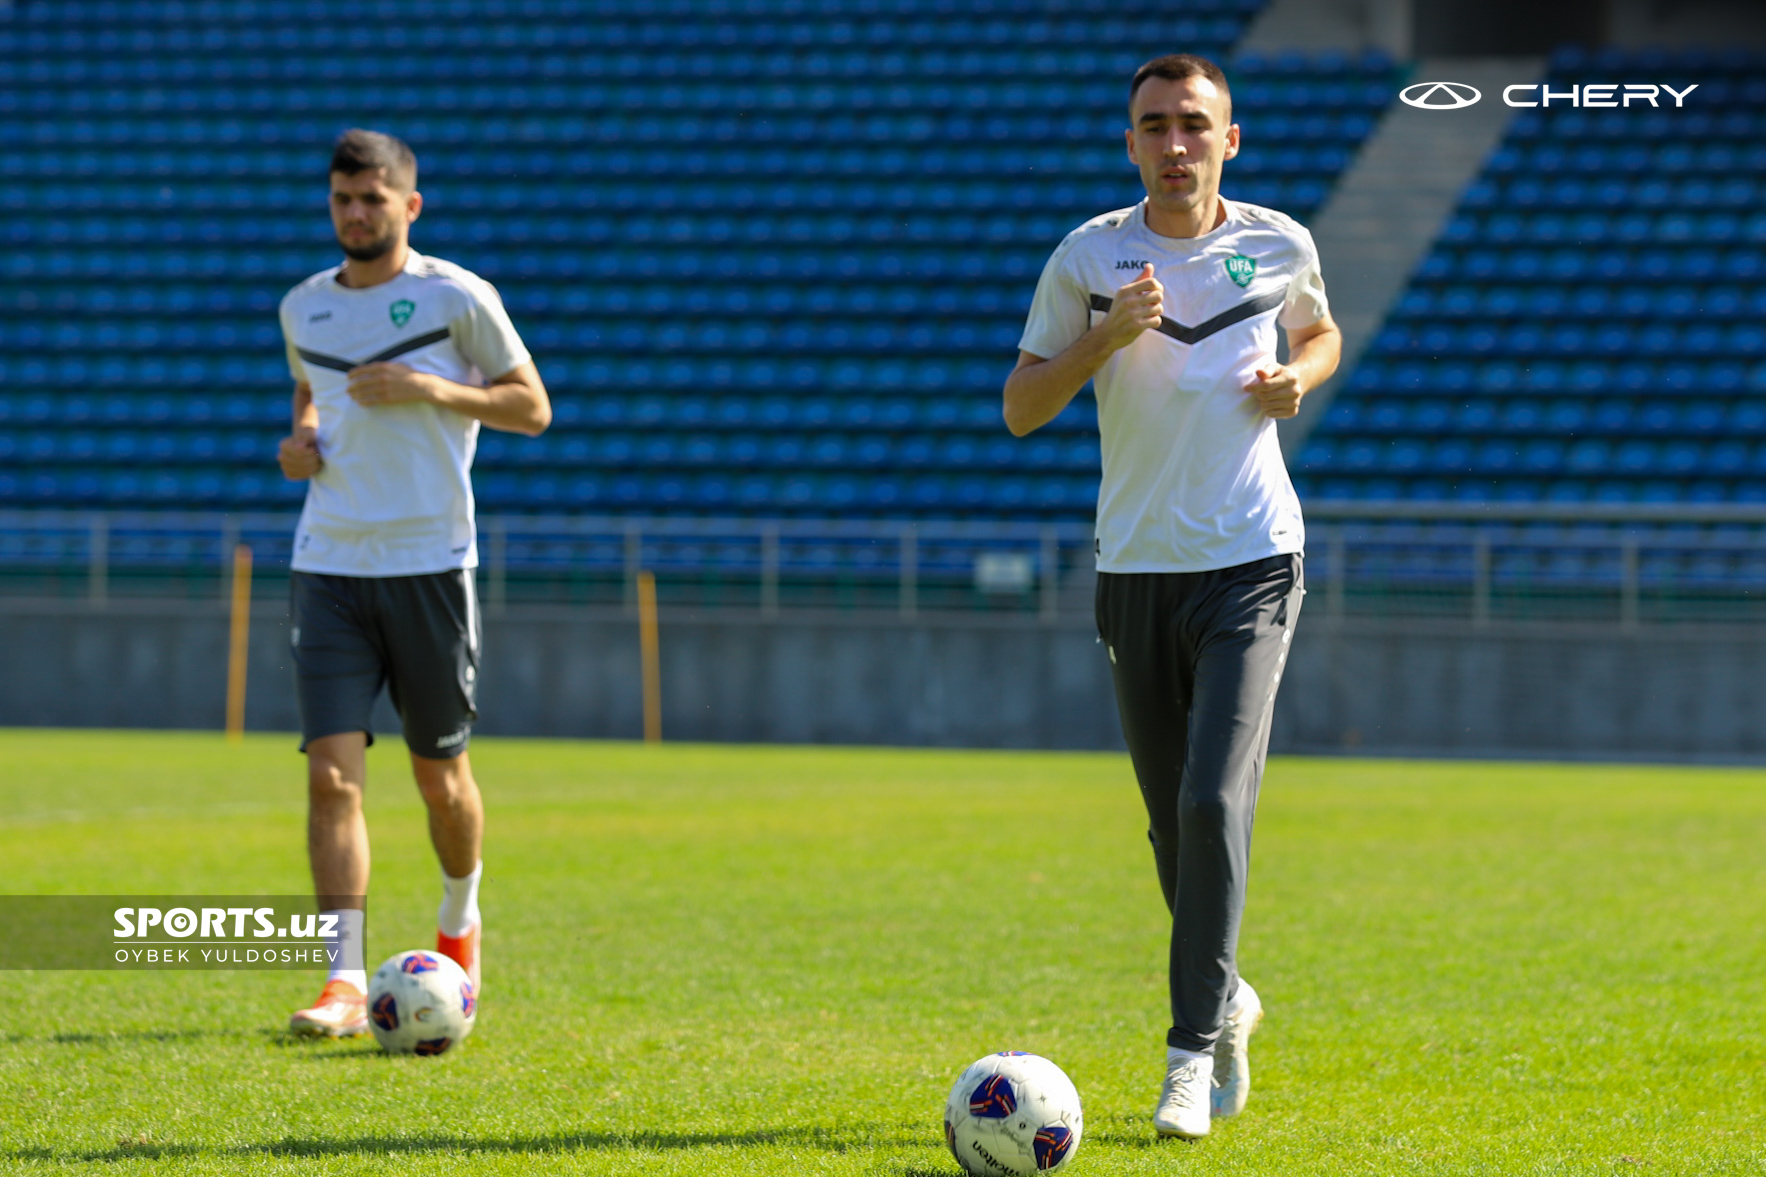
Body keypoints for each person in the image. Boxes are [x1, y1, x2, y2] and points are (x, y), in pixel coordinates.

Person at [1004, 54, 1341, 1138]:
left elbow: (1317, 333)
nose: (1175, 143)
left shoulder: (1278, 242)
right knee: (1168, 830)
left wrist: (1302, 376)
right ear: (1130, 143)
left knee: (1209, 802)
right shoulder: (1088, 257)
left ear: (1227, 140)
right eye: (1154, 125)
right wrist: (1104, 335)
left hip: (1250, 560)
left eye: (1194, 123)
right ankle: (1226, 993)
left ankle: (1187, 1052)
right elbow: (1019, 407)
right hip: (1133, 569)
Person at [277, 129, 551, 1036]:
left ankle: (459, 922)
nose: (356, 214)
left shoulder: (457, 297)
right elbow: (308, 398)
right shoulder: (303, 308)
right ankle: (344, 981)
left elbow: (532, 407)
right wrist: (299, 444)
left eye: (373, 199)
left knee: (441, 780)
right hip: (328, 564)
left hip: (431, 564)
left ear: (409, 205)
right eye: (342, 200)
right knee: (331, 778)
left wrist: (435, 391)